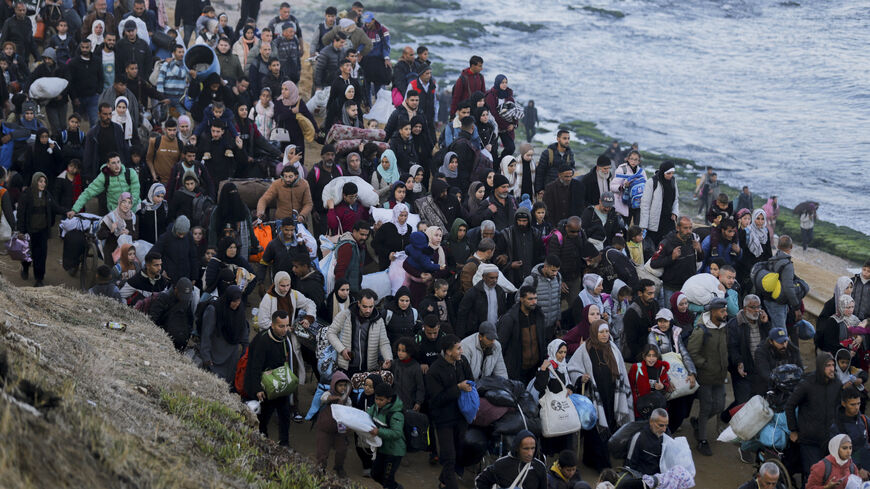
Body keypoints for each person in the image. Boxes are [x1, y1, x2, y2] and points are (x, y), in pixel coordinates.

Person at [567, 320, 631, 472]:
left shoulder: (613, 348)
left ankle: (596, 459)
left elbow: (621, 370)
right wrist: (581, 377)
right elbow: (572, 368)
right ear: (595, 333)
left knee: (609, 424)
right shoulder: (585, 349)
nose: (604, 335)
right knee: (595, 431)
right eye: (601, 332)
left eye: (606, 332)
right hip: (594, 397)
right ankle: (600, 464)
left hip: (611, 395)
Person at [425, 334, 473, 489]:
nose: (461, 351)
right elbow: (437, 399)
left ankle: (443, 481)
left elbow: (471, 380)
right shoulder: (434, 371)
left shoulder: (462, 362)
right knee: (449, 458)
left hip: (461, 416)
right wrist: (458, 388)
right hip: (443, 419)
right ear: (448, 352)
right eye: (458, 348)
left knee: (460, 452)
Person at [786, 351, 843, 479]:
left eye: (833, 365)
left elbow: (839, 407)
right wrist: (793, 430)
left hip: (829, 439)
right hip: (809, 440)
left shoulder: (837, 384)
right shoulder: (807, 384)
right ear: (820, 366)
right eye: (828, 365)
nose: (832, 369)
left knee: (830, 475)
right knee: (813, 475)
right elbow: (790, 405)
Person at [686, 297, 729, 456]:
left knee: (719, 406)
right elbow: (692, 352)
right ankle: (702, 440)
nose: (725, 313)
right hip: (705, 377)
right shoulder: (701, 330)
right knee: (706, 407)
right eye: (722, 311)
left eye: (725, 310)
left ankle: (698, 423)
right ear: (712, 312)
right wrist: (705, 364)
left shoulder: (724, 327)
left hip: (719, 376)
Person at [17, 172, 68, 286]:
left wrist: (66, 211)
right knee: (28, 253)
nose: (43, 184)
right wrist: (21, 230)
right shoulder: (27, 195)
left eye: (44, 181)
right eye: (40, 181)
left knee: (41, 255)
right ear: (35, 182)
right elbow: (21, 214)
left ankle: (39, 279)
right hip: (30, 231)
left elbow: (55, 207)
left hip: (42, 231)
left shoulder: (47, 195)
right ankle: (25, 268)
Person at [327, 288, 392, 376]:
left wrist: (388, 358)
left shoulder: (378, 320)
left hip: (369, 368)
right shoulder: (345, 315)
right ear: (359, 303)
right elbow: (331, 332)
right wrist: (342, 349)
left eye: (371, 307)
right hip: (346, 367)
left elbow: (384, 342)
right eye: (365, 306)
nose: (368, 310)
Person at [726, 294, 772, 405]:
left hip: (760, 369)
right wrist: (739, 362)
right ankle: (727, 417)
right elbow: (732, 347)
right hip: (743, 371)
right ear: (745, 308)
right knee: (743, 402)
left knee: (760, 400)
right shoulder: (734, 324)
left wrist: (766, 324)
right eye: (753, 307)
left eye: (758, 307)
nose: (757, 310)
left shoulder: (763, 321)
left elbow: (772, 340)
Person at [534, 339, 577, 455]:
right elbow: (539, 386)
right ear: (553, 351)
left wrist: (570, 388)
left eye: (564, 352)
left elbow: (569, 383)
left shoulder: (563, 366)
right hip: (550, 408)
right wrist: (543, 370)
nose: (563, 356)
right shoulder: (547, 366)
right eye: (560, 352)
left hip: (562, 408)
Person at [649, 216, 702, 304]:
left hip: (688, 287)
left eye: (690, 228)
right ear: (678, 228)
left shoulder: (693, 239)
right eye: (685, 228)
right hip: (671, 288)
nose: (689, 231)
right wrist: (671, 258)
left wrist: (700, 250)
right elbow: (654, 263)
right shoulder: (667, 242)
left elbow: (700, 259)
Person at [474, 429, 548, 489]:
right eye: (526, 449)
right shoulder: (501, 464)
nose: (530, 453)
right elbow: (480, 481)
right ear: (517, 448)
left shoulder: (539, 466)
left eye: (533, 448)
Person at [365, 382, 406, 489]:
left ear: (389, 399)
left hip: (394, 452)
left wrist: (378, 432)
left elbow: (397, 433)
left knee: (387, 478)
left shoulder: (396, 414)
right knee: (375, 474)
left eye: (381, 400)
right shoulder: (376, 407)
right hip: (382, 449)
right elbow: (366, 417)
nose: (377, 402)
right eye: (376, 398)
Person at [314, 369, 352, 477]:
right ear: (334, 385)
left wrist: (348, 426)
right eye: (340, 385)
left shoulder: (347, 399)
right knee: (322, 452)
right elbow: (323, 398)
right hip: (324, 428)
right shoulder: (328, 394)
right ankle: (321, 470)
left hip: (340, 429)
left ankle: (339, 467)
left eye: (345, 385)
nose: (343, 388)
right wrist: (335, 398)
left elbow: (349, 413)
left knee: (342, 450)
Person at [760, 235, 801, 331]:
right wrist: (796, 307)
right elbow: (788, 288)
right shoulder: (787, 264)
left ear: (778, 246)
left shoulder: (772, 259)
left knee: (774, 330)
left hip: (767, 299)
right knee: (780, 335)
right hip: (777, 303)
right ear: (791, 246)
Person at [456, 263, 509, 339]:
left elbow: (503, 311)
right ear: (483, 277)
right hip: (476, 333)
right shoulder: (473, 293)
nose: (495, 280)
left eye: (496, 278)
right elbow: (462, 314)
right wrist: (460, 336)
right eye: (491, 278)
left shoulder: (500, 291)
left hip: (495, 331)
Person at [521, 255, 563, 339]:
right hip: (535, 326)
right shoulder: (532, 280)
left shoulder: (558, 277)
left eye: (557, 271)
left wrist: (558, 318)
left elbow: (558, 298)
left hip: (551, 327)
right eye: (553, 270)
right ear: (545, 267)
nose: (555, 273)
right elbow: (519, 298)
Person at [638, 161, 679, 247]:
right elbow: (645, 204)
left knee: (667, 245)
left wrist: (675, 212)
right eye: (668, 173)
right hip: (655, 221)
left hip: (668, 220)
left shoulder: (673, 181)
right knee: (653, 247)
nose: (670, 175)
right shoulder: (652, 182)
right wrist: (644, 225)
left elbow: (676, 199)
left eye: (672, 173)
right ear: (663, 172)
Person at [148, 277, 194, 351]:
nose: (184, 299)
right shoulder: (163, 298)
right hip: (164, 341)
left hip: (181, 343)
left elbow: (189, 319)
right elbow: (152, 319)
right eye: (182, 295)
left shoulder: (186, 300)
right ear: (176, 289)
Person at [627, 345, 671, 418]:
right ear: (644, 356)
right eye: (648, 356)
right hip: (641, 407)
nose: (651, 359)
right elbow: (630, 385)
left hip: (657, 407)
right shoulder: (636, 368)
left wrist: (662, 386)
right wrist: (636, 401)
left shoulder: (661, 368)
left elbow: (666, 384)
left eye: (654, 356)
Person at [623, 279, 659, 362]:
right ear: (640, 293)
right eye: (649, 293)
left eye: (653, 293)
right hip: (638, 354)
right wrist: (644, 357)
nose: (652, 296)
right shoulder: (632, 313)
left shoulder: (655, 304)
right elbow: (631, 341)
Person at [626, 408, 670, 477]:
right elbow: (629, 465)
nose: (664, 429)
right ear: (651, 422)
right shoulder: (638, 438)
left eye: (666, 425)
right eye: (660, 425)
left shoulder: (667, 434)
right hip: (645, 478)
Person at [96, 192, 137, 266]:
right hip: (112, 249)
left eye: (129, 203)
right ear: (119, 202)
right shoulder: (111, 217)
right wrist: (111, 231)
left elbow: (136, 235)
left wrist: (129, 233)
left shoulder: (133, 217)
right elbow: (100, 235)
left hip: (129, 250)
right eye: (124, 202)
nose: (126, 205)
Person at [333, 220, 371, 295]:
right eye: (362, 234)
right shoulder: (347, 246)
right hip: (347, 291)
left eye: (366, 235)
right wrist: (342, 290)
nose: (364, 237)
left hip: (353, 287)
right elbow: (340, 270)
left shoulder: (359, 245)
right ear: (354, 231)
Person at [372, 203, 411, 270]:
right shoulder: (386, 228)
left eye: (406, 215)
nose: (403, 218)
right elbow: (375, 243)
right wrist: (388, 253)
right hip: (387, 263)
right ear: (396, 215)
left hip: (403, 264)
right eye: (401, 215)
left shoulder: (408, 228)